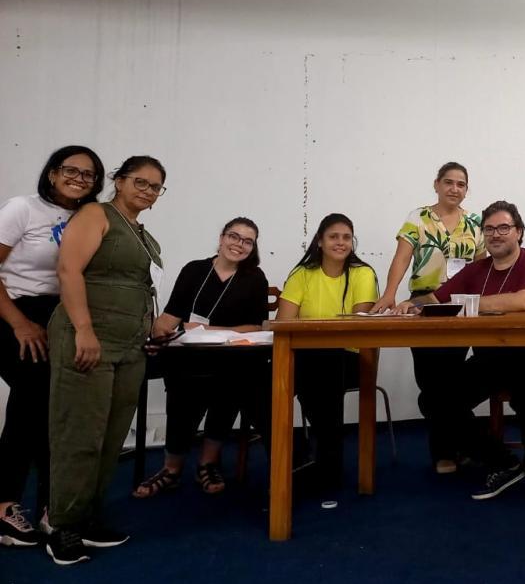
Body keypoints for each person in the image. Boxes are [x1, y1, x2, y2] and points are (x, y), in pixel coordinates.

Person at [395, 201, 525, 503]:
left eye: (503, 228)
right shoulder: (477, 269)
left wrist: (467, 303)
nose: (496, 234)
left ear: (519, 232)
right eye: (489, 229)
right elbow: (436, 298)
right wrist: (413, 303)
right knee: (434, 399)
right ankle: (503, 461)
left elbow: (523, 301)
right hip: (494, 359)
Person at [46, 155, 166, 565]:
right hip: (89, 340)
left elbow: (143, 288)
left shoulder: (144, 235)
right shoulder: (95, 215)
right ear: (119, 180)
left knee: (111, 436)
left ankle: (88, 518)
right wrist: (83, 329)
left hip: (130, 347)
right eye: (140, 181)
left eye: (155, 187)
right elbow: (69, 270)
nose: (147, 191)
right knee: (79, 434)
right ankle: (62, 526)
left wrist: (149, 332)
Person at [0, 145, 104, 548]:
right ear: (52, 173)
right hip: (15, 312)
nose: (79, 179)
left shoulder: (88, 216)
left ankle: (50, 507)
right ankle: (5, 506)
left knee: (55, 411)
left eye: (88, 174)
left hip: (58, 317)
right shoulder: (22, 209)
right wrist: (19, 324)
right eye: (70, 170)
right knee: (29, 405)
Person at [133, 218, 270, 498]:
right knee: (182, 392)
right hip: (190, 356)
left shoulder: (254, 277)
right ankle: (171, 469)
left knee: (233, 384)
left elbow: (257, 327)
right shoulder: (194, 270)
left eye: (247, 241)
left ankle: (207, 464)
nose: (239, 244)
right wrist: (158, 332)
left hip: (231, 357)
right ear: (221, 238)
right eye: (234, 236)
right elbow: (171, 316)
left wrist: (209, 330)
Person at [370, 163, 484, 474]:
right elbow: (402, 258)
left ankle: (450, 451)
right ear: (436, 184)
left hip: (459, 306)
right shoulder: (418, 217)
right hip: (422, 304)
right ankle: (459, 449)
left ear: (466, 189)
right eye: (448, 182)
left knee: (450, 380)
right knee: (430, 381)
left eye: (461, 184)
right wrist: (389, 294)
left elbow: (482, 266)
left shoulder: (475, 222)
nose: (454, 189)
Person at [276, 213, 378, 505]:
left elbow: (358, 326)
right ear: (319, 241)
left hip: (351, 360)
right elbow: (284, 323)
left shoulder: (362, 273)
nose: (340, 242)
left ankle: (320, 462)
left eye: (346, 237)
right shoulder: (301, 274)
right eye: (333, 236)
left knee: (324, 363)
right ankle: (314, 459)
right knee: (275, 378)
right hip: (306, 360)